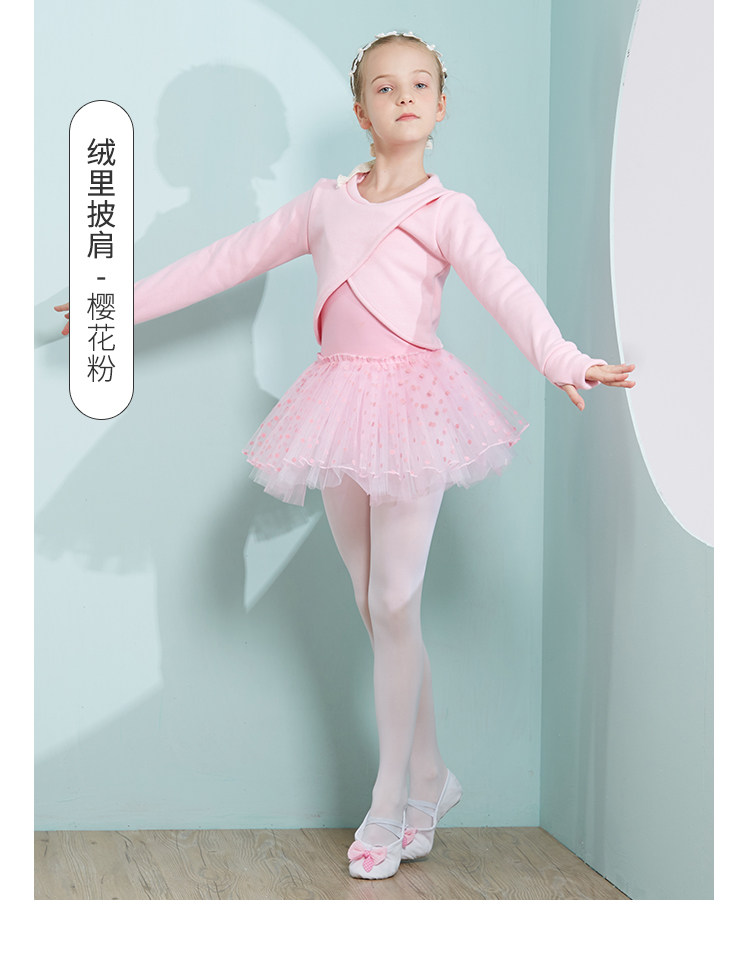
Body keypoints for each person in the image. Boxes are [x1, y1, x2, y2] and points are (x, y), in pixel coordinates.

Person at [56, 30, 635, 880]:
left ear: (442, 106)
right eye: (385, 87)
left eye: (420, 85)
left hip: (416, 408)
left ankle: (389, 798)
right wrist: (113, 302)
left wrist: (564, 359)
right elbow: (226, 261)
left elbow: (506, 287)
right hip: (335, 405)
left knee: (396, 600)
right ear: (362, 111)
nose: (404, 97)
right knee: (375, 604)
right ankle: (432, 778)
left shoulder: (448, 212)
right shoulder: (324, 205)